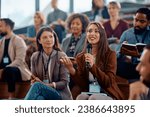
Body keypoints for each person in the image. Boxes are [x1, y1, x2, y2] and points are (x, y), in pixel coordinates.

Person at [60, 22, 124, 100]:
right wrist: (71, 70)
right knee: (81, 97)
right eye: (89, 31)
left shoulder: (110, 54)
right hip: (89, 92)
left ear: (102, 35)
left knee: (93, 99)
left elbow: (108, 82)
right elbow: (83, 85)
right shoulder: (80, 57)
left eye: (96, 31)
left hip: (107, 92)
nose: (92, 34)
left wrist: (93, 66)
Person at [24, 26, 72, 100]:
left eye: (51, 37)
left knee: (38, 86)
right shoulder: (35, 56)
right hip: (43, 91)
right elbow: (34, 79)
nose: (49, 40)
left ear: (54, 38)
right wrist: (33, 81)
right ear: (39, 41)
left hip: (59, 93)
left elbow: (64, 82)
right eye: (45, 37)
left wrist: (48, 85)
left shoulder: (61, 55)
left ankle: (22, 108)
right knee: (40, 98)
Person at [116, 8, 150, 82]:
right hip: (131, 66)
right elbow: (116, 55)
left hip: (146, 67)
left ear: (148, 22)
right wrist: (122, 52)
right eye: (136, 20)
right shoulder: (126, 34)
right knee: (117, 65)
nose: (137, 24)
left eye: (142, 21)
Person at [0, 18, 30, 99]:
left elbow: (19, 60)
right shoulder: (1, 41)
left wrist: (4, 68)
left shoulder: (18, 40)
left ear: (8, 27)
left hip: (17, 70)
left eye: (1, 26)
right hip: (3, 70)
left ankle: (11, 96)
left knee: (10, 70)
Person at [61, 13, 89, 99]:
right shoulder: (65, 41)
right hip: (66, 72)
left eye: (77, 24)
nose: (74, 26)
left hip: (79, 72)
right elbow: (61, 55)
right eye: (73, 23)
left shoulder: (87, 39)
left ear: (83, 26)